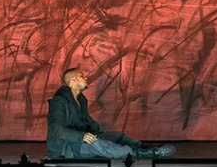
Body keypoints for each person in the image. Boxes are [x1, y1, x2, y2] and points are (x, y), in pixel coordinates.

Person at [46, 67, 175, 159]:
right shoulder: (58, 102)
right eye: (81, 76)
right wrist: (82, 136)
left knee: (115, 136)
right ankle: (139, 154)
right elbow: (57, 129)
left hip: (78, 141)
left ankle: (143, 147)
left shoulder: (81, 100)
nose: (85, 78)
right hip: (65, 148)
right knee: (95, 143)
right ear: (72, 81)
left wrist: (99, 133)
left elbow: (85, 122)